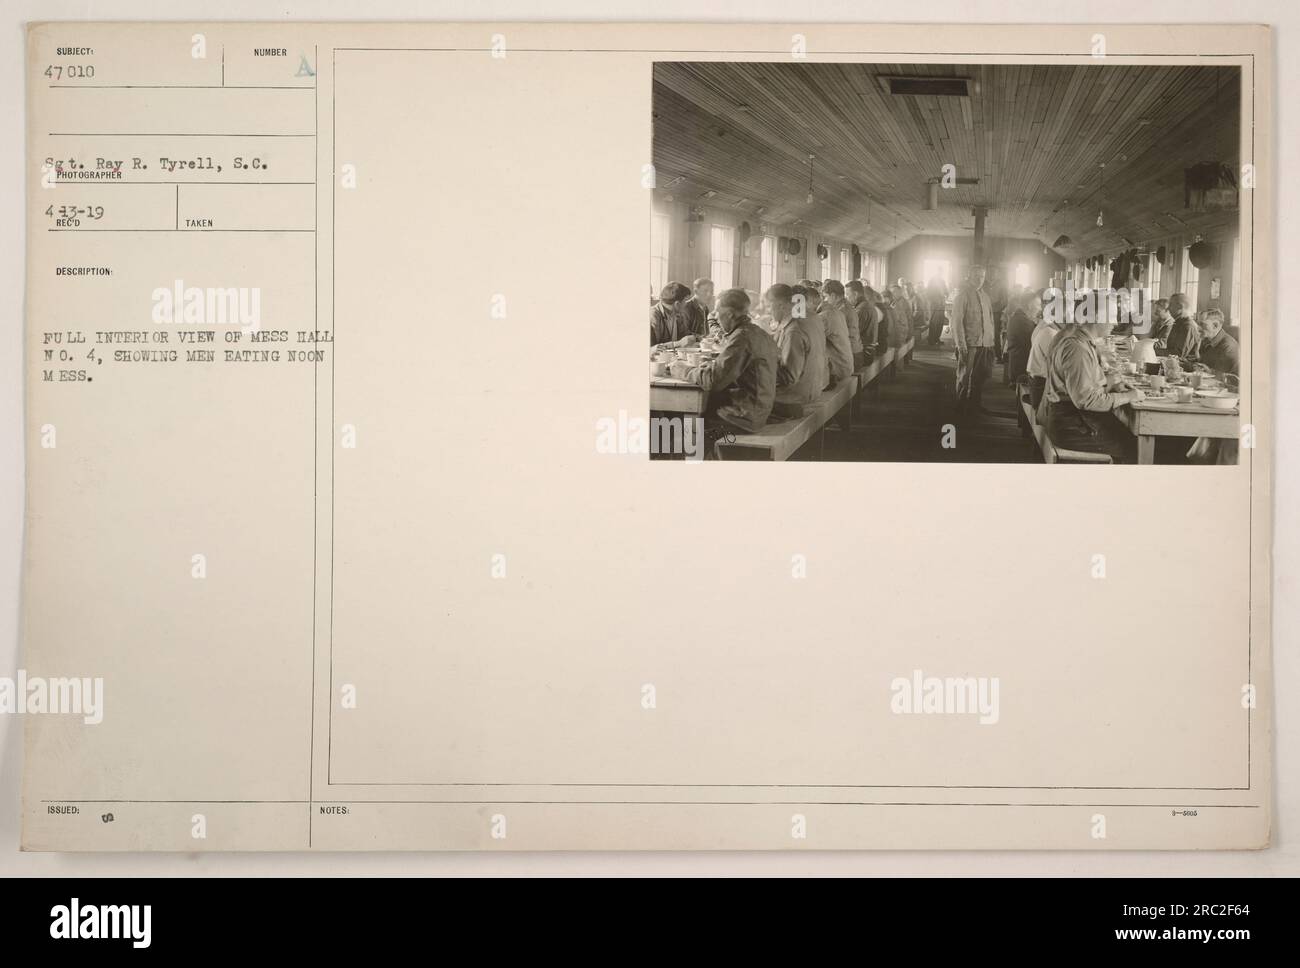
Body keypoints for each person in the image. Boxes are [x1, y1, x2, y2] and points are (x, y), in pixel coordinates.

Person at [1040, 292, 1145, 463]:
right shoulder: (1077, 349)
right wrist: (1129, 396)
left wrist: (1110, 383)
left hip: (1074, 420)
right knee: (1134, 446)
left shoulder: (1081, 341)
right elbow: (1086, 400)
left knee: (1127, 433)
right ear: (1096, 316)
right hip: (1072, 426)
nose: (1115, 322)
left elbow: (1085, 385)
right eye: (1112, 315)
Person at [669, 288, 778, 453]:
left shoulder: (741, 338)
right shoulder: (757, 332)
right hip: (758, 409)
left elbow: (713, 381)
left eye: (718, 313)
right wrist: (709, 368)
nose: (716, 318)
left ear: (730, 314)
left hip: (744, 417)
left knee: (679, 428)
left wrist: (682, 370)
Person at [771, 284, 828, 415]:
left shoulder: (794, 329)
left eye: (768, 306)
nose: (766, 311)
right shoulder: (813, 317)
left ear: (781, 305)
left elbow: (789, 377)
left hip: (795, 397)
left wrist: (761, 362)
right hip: (815, 386)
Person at [949, 265, 995, 412]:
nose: (979, 279)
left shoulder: (986, 297)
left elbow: (991, 320)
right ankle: (960, 405)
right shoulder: (962, 296)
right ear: (969, 276)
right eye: (976, 276)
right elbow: (956, 323)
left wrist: (991, 341)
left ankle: (975, 404)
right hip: (969, 345)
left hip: (984, 343)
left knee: (979, 376)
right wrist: (961, 345)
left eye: (982, 276)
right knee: (964, 376)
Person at [1026, 288, 1064, 408]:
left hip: (1039, 383)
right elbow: (1061, 367)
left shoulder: (1048, 326)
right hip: (1040, 388)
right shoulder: (1049, 332)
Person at [819, 280, 856, 383]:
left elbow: (814, 337)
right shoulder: (842, 308)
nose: (824, 301)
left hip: (840, 366)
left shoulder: (834, 312)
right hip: (846, 360)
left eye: (825, 297)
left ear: (834, 296)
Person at [1004, 289, 1041, 385]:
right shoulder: (1023, 321)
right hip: (1021, 370)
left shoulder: (1020, 317)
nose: (1040, 309)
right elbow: (1034, 343)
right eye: (1038, 305)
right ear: (1029, 306)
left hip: (1017, 366)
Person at [650, 282, 696, 347]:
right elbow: (652, 349)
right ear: (677, 304)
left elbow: (685, 334)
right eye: (685, 301)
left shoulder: (678, 314)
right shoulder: (653, 316)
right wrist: (678, 343)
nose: (686, 304)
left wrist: (701, 339)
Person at [1196, 308, 1239, 375]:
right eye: (1198, 323)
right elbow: (1202, 365)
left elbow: (1224, 377)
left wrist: (1208, 371)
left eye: (1202, 324)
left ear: (1215, 325)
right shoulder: (1207, 340)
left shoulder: (1228, 347)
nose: (1198, 328)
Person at [845, 281, 877, 365]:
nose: (846, 298)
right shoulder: (867, 305)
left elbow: (853, 333)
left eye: (848, 295)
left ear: (855, 294)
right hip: (869, 350)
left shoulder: (861, 309)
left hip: (865, 353)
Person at [1165, 293, 1201, 361]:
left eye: (1171, 305)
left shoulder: (1188, 326)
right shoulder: (1179, 323)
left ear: (1180, 307)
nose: (1168, 308)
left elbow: (1179, 354)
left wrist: (1152, 350)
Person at [925, 276, 948, 345]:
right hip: (934, 305)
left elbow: (946, 292)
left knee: (940, 322)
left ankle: (937, 338)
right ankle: (931, 339)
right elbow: (928, 295)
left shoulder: (942, 281)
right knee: (934, 322)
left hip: (941, 304)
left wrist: (944, 296)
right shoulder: (931, 282)